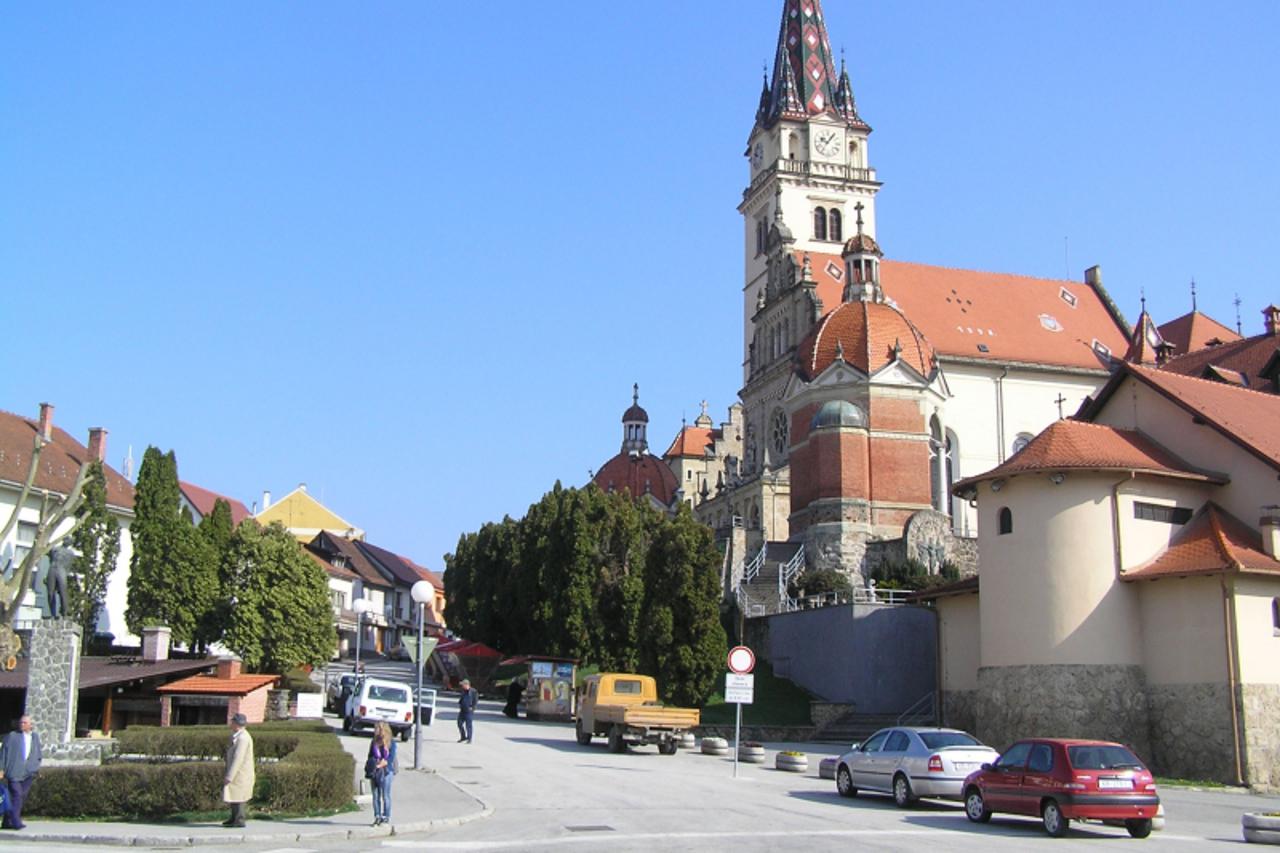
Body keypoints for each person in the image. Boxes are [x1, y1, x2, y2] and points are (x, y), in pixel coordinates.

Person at [0, 715, 42, 830]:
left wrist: (36, 766)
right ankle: (16, 821)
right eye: (21, 722)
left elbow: (38, 753)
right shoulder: (12, 736)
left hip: (28, 772)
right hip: (14, 772)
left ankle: (6, 821)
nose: (22, 724)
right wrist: (1, 769)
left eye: (24, 723)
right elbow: (3, 753)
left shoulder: (35, 737)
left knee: (20, 796)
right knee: (17, 795)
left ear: (30, 725)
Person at [222, 713, 255, 828]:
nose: (231, 724)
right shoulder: (237, 736)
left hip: (240, 773)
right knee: (234, 795)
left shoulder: (243, 738)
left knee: (239, 796)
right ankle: (233, 817)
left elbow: (238, 758)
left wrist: (229, 776)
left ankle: (239, 819)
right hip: (238, 773)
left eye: (233, 722)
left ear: (237, 724)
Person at [367, 722, 397, 825]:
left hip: (386, 772)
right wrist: (373, 765)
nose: (375, 731)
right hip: (375, 771)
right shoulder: (374, 742)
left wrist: (380, 764)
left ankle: (386, 816)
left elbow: (390, 758)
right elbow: (370, 756)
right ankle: (377, 816)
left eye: (377, 729)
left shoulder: (391, 742)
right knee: (375, 795)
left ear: (383, 730)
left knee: (385, 795)